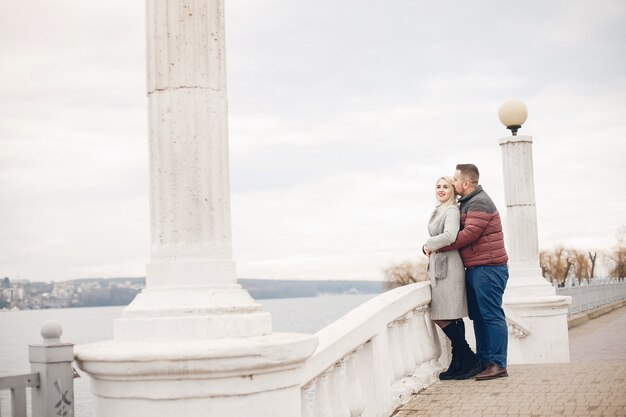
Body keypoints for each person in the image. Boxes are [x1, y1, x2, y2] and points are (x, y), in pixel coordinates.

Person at [430, 163, 509, 381]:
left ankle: (498, 363)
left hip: (490, 268)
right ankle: (483, 361)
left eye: (454, 180)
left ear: (465, 183)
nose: (452, 183)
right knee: (479, 317)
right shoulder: (467, 203)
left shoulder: (480, 202)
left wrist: (435, 245)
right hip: (475, 268)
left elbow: (468, 235)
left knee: (492, 316)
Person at [422, 176, 479, 380]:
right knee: (452, 315)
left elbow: (450, 236)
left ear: (452, 190)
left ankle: (469, 357)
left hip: (450, 267)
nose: (441, 189)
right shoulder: (438, 210)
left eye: (446, 186)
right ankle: (459, 363)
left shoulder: (452, 210)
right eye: (438, 186)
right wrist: (426, 247)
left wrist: (429, 243)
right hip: (440, 265)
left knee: (442, 315)